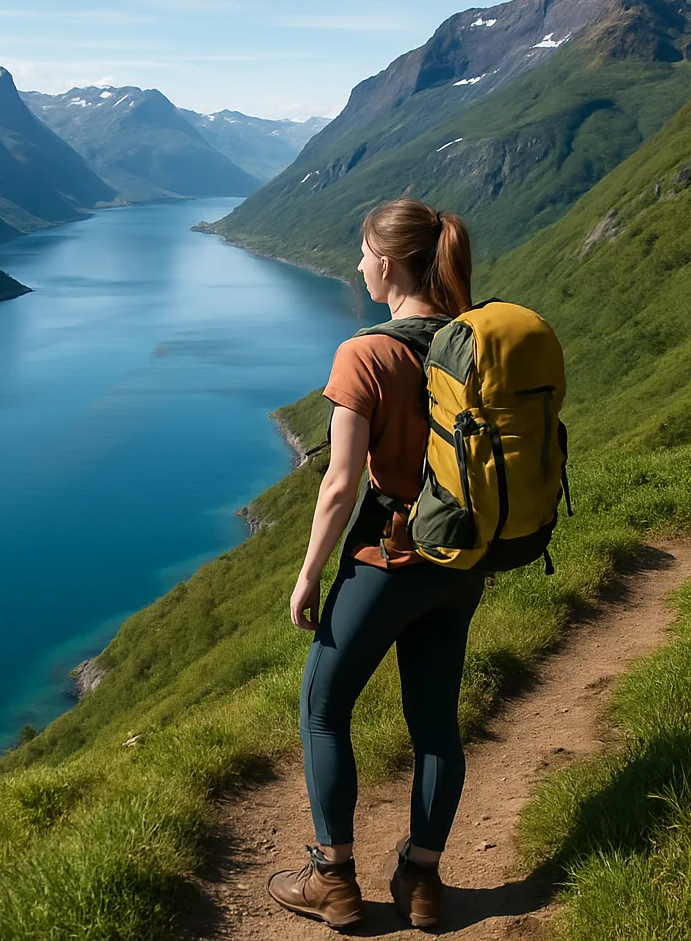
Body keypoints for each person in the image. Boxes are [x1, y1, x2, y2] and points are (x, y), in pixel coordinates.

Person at [266, 199, 485, 931]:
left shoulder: (367, 353)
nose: (359, 266)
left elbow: (341, 483)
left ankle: (333, 881)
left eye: (363, 253)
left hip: (386, 556)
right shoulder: (470, 340)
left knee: (323, 712)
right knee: (435, 726)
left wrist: (308, 573)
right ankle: (422, 884)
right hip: (459, 560)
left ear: (387, 265)